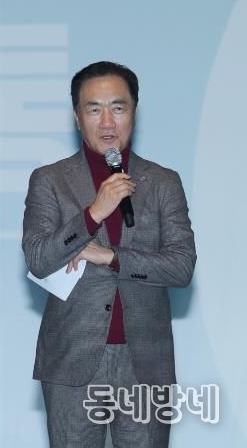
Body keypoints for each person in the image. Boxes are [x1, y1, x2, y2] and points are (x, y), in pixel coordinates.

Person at [22, 61, 196, 447]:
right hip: (72, 362)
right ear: (76, 116)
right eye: (93, 109)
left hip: (145, 363)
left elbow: (182, 266)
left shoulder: (163, 182)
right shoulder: (50, 180)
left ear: (134, 111)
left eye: (118, 108)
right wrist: (92, 214)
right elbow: (38, 257)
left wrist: (111, 257)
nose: (106, 122)